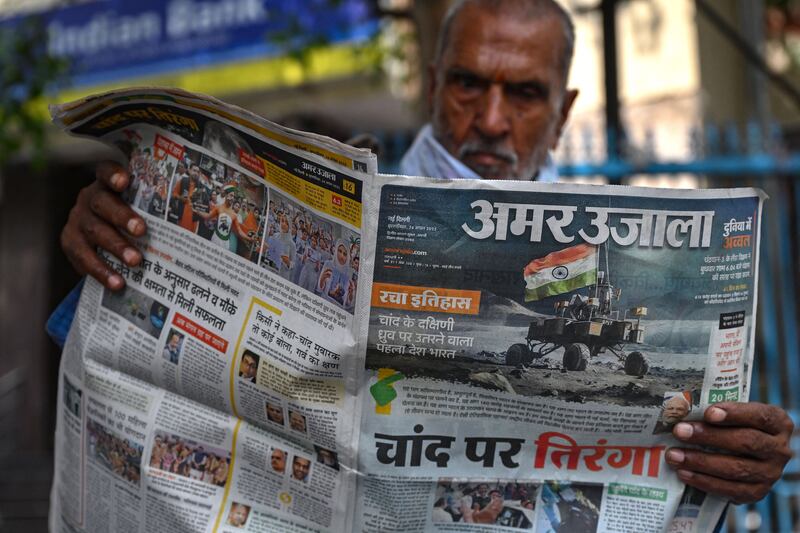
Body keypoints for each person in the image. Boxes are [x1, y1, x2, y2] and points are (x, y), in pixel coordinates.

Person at [52, 0, 793, 509]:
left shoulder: (615, 242)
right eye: (470, 83)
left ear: (564, 113)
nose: (492, 119)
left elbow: (709, 426)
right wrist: (110, 248)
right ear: (435, 85)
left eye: (525, 94)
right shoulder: (343, 194)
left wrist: (741, 454)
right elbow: (116, 361)